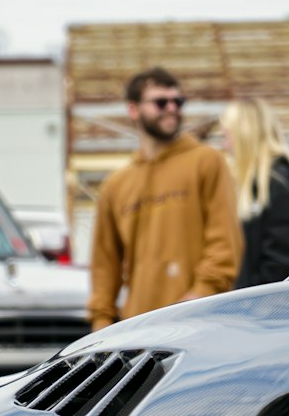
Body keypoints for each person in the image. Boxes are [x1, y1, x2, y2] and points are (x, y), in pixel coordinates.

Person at [87, 66, 241, 331]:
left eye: (177, 101)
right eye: (160, 102)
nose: (172, 108)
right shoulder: (116, 184)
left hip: (199, 321)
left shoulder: (207, 161)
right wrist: (101, 322)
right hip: (138, 329)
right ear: (133, 110)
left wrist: (200, 295)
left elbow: (224, 243)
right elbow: (105, 264)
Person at [220, 98, 289, 287]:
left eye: (226, 137)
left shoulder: (278, 181)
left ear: (244, 136)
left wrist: (251, 300)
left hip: (270, 308)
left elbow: (287, 258)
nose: (224, 146)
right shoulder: (258, 182)